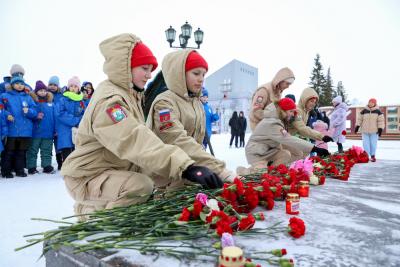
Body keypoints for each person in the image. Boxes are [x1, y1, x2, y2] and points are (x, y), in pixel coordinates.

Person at [61, 33, 222, 218]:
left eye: (151, 69)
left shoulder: (131, 95)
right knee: (140, 186)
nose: (149, 75)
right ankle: (93, 216)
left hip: (116, 168)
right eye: (144, 68)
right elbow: (134, 139)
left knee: (169, 176)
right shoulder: (110, 103)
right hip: (88, 175)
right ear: (125, 68)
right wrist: (185, 166)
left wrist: (184, 170)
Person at [147, 49, 236, 187]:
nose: (201, 79)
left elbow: (197, 141)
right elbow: (177, 139)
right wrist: (217, 169)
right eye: (196, 73)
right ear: (180, 74)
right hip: (167, 178)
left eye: (203, 74)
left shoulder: (196, 102)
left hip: (191, 170)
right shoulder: (164, 103)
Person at [238, 98, 329, 174]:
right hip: (257, 153)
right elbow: (288, 139)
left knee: (287, 154)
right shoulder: (272, 122)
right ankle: (245, 171)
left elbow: (298, 129)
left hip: (269, 151)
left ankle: (271, 170)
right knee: (260, 174)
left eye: (294, 112)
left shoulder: (280, 119)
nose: (293, 114)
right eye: (291, 111)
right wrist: (315, 148)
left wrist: (320, 138)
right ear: (283, 111)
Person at [1, 76, 37, 178]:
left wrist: (29, 111)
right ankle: (6, 171)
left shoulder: (28, 97)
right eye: (17, 83)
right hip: (11, 130)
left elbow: (35, 112)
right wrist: (6, 114)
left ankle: (19, 170)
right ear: (12, 85)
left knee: (21, 152)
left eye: (21, 84)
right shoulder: (5, 95)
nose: (19, 85)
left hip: (25, 131)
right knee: (9, 152)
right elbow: (1, 108)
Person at [55, 76, 86, 168]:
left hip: (77, 130)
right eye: (71, 86)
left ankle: (75, 168)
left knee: (76, 150)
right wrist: (76, 121)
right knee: (67, 151)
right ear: (68, 87)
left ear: (78, 88)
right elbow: (60, 113)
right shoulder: (63, 99)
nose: (73, 88)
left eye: (75, 86)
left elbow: (84, 114)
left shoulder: (81, 101)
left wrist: (81, 121)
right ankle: (67, 169)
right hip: (65, 130)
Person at [26, 81, 55, 174]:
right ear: (36, 92)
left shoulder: (51, 104)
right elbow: (29, 114)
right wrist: (35, 115)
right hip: (35, 132)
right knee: (33, 150)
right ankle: (31, 167)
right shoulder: (33, 103)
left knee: (47, 150)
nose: (42, 92)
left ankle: (46, 166)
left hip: (48, 132)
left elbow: (55, 118)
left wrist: (55, 130)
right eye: (40, 90)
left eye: (44, 90)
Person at [47, 76, 63, 170]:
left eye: (54, 85)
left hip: (58, 123)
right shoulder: (45, 94)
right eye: (50, 84)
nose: (52, 86)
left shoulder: (61, 95)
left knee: (58, 145)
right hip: (48, 123)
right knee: (47, 145)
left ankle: (60, 163)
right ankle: (47, 164)